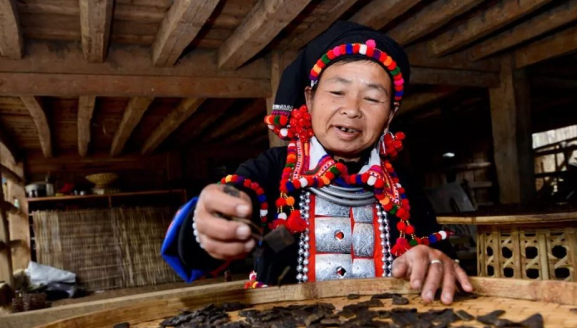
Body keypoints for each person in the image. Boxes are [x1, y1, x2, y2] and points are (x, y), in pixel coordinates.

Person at [162, 21, 472, 304]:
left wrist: (434, 262)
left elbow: (442, 262)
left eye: (373, 98)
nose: (352, 110)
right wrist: (205, 225)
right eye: (337, 92)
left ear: (390, 115)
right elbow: (202, 248)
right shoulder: (272, 171)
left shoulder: (403, 187)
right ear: (309, 100)